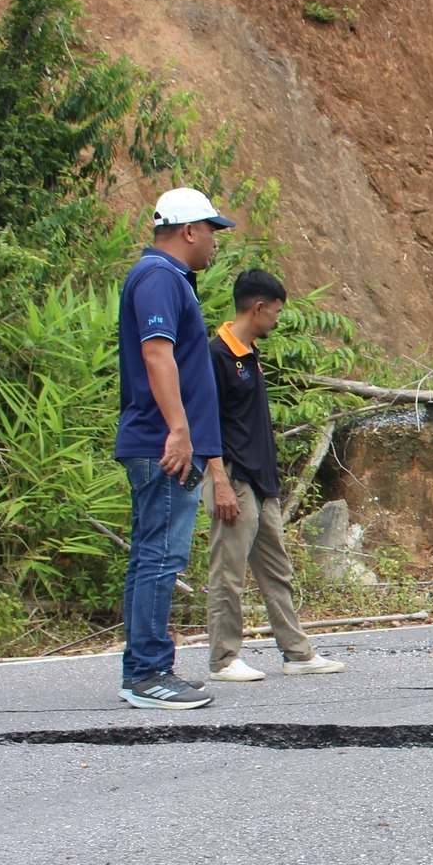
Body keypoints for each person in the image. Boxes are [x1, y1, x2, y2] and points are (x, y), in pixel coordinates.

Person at [114, 188, 232, 710]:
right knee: (160, 557)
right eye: (212, 231)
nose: (215, 243)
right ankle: (147, 673)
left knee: (152, 556)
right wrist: (180, 431)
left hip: (162, 439)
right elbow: (157, 355)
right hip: (164, 443)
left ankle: (144, 668)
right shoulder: (160, 277)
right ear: (189, 230)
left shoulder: (166, 278)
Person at [203, 269, 345, 681]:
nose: (278, 320)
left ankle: (297, 653)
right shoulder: (216, 356)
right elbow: (204, 422)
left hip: (261, 481)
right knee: (228, 572)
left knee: (276, 569)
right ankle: (224, 659)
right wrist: (220, 481)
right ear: (258, 307)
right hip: (233, 477)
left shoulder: (250, 355)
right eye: (277, 312)